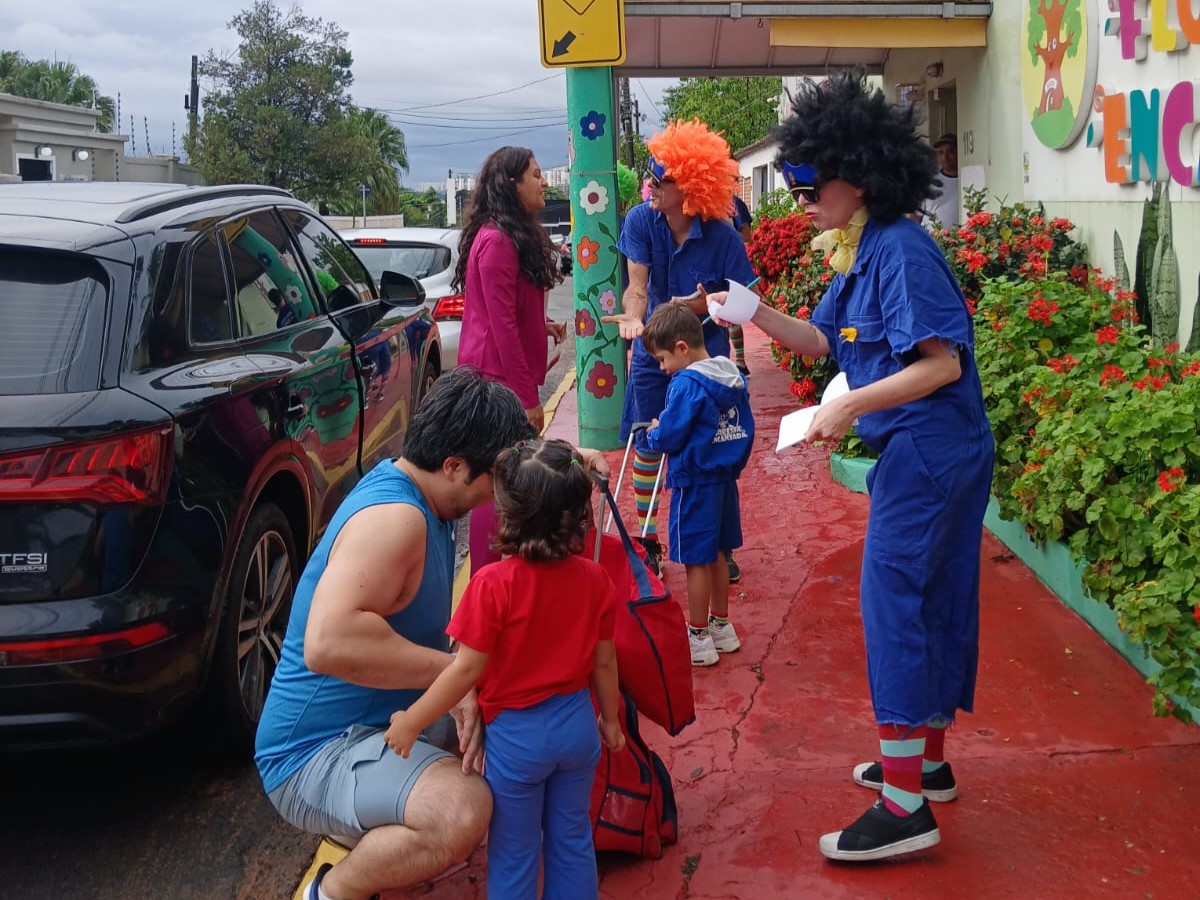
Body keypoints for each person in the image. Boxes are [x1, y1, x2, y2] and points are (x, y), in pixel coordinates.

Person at [716, 72, 993, 862]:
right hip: (924, 449)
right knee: (932, 597)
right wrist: (752, 312)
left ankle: (904, 805)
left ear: (858, 173)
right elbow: (818, 339)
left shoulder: (901, 249)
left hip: (933, 448)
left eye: (808, 183)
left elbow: (940, 364)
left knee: (894, 604)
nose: (799, 196)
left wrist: (845, 407)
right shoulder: (864, 248)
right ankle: (927, 764)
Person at [254, 369, 606, 900]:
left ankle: (380, 820)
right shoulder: (398, 521)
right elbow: (327, 643)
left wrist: (571, 462)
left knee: (512, 732)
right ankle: (331, 892)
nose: (501, 493)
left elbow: (525, 464)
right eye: (498, 479)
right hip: (314, 754)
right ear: (454, 465)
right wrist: (462, 677)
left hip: (384, 725)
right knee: (463, 810)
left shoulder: (428, 488)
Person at [384, 438, 625, 900]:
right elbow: (604, 659)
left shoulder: (492, 585)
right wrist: (610, 720)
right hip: (577, 726)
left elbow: (463, 672)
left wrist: (411, 721)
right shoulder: (594, 579)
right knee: (572, 839)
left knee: (514, 852)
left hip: (518, 741)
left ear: (507, 516)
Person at [601, 119, 756, 585]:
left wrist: (707, 303)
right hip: (655, 354)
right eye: (650, 174)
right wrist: (633, 317)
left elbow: (746, 298)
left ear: (691, 186)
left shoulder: (724, 234)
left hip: (706, 362)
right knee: (649, 442)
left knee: (714, 449)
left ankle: (718, 545)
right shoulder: (640, 221)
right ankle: (648, 539)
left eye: (660, 179)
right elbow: (637, 287)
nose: (649, 186)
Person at [453, 146, 567, 574]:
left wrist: (544, 322)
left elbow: (506, 308)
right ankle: (487, 580)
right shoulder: (498, 240)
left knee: (502, 480)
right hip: (494, 380)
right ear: (511, 184)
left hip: (499, 376)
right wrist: (527, 397)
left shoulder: (506, 235)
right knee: (494, 483)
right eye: (536, 175)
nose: (544, 182)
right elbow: (499, 325)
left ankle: (497, 577)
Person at [639, 303, 754, 667]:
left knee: (694, 560)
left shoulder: (686, 383)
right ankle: (722, 626)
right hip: (724, 479)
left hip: (694, 481)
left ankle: (699, 635)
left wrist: (656, 432)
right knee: (719, 553)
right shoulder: (730, 374)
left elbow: (672, 434)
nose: (663, 368)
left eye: (662, 359)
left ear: (681, 348)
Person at [728, 191, 753, 376]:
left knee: (731, 314)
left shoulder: (734, 203)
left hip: (731, 264)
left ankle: (740, 361)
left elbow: (747, 235)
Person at [921, 132, 960, 230]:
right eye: (940, 152)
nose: (945, 157)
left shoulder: (967, 181)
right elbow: (915, 216)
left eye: (950, 152)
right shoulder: (928, 181)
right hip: (930, 241)